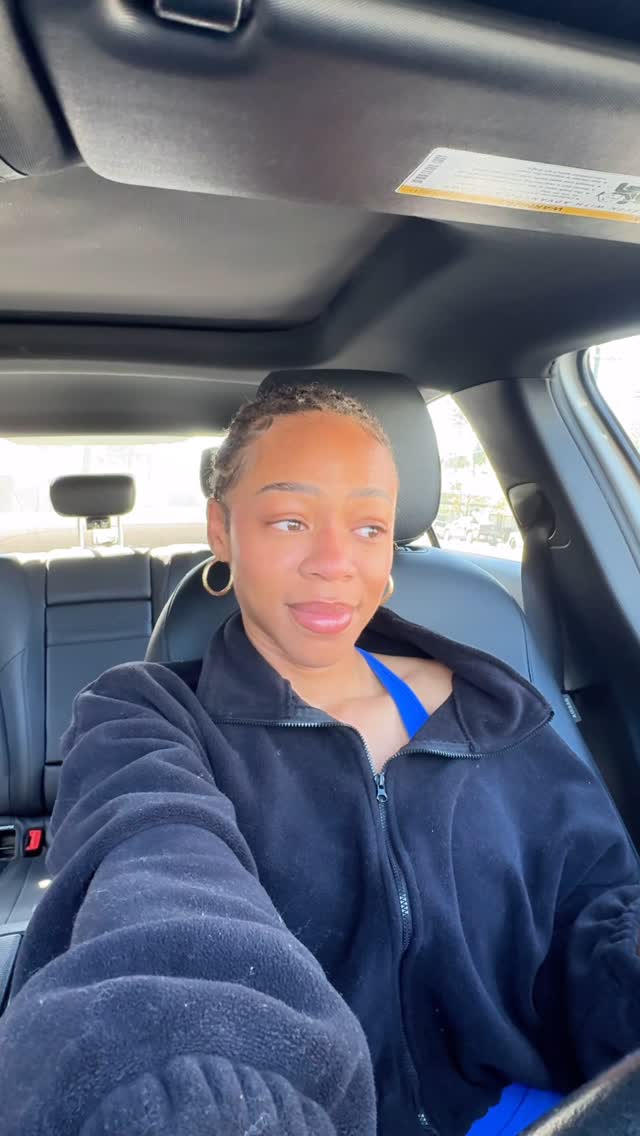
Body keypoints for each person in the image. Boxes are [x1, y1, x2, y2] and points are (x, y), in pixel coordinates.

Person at [1, 382, 640, 1136]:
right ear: (221, 530)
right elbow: (161, 903)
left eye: (369, 527)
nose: (336, 563)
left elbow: (599, 909)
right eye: (290, 520)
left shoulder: (492, 710)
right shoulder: (145, 716)